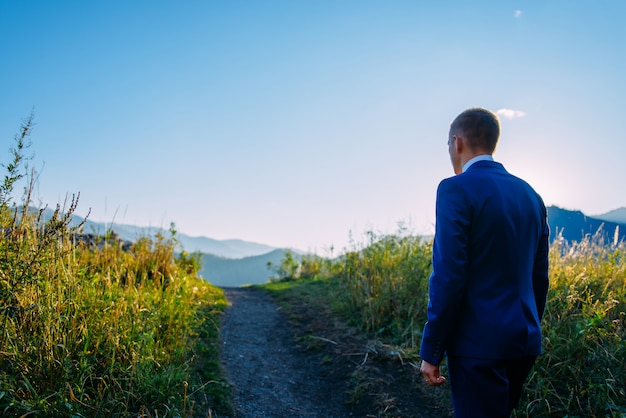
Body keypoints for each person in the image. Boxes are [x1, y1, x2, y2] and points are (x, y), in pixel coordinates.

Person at [419, 108, 549, 417]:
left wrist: (432, 349)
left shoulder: (454, 189)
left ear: (457, 142)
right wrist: (530, 326)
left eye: (448, 145)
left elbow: (449, 276)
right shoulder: (531, 195)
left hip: (478, 345)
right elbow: (539, 278)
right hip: (524, 340)